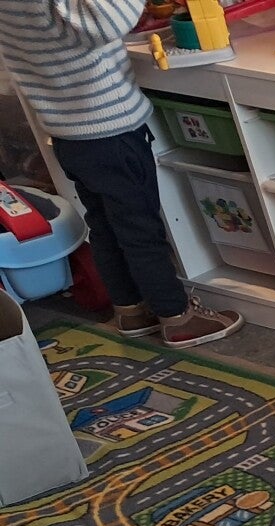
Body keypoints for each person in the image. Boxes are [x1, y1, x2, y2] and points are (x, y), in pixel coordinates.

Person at [0, 0, 241, 345]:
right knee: (140, 230)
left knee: (106, 226)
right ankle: (176, 316)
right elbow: (109, 22)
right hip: (109, 127)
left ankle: (130, 310)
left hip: (68, 132)